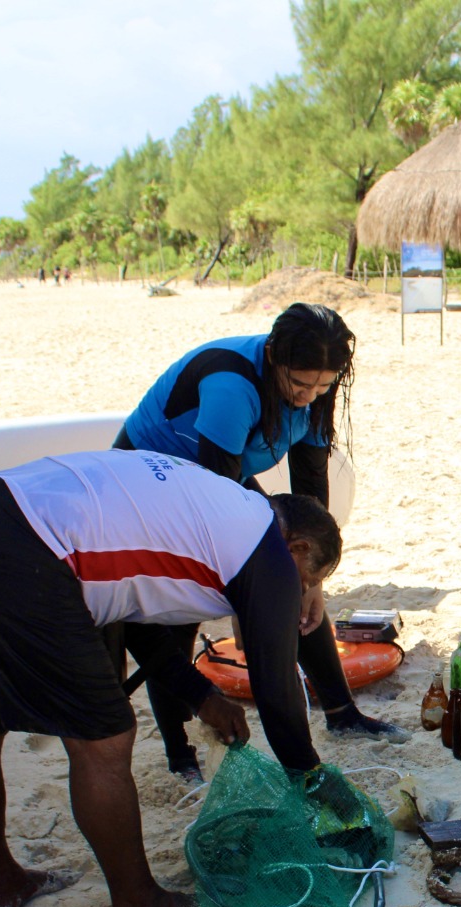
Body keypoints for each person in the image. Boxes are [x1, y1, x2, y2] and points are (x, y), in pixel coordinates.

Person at [0, 449, 343, 907]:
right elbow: (276, 690)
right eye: (308, 580)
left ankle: (2, 881)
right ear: (295, 549)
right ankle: (139, 904)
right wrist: (313, 781)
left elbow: (133, 622)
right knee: (105, 740)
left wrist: (202, 697)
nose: (300, 593)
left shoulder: (219, 508)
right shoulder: (265, 548)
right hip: (28, 547)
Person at [116, 302, 405, 782]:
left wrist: (312, 580)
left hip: (218, 474)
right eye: (298, 384)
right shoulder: (233, 384)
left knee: (293, 571)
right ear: (273, 356)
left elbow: (311, 496)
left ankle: (341, 712)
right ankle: (179, 751)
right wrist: (241, 596)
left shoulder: (314, 394)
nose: (307, 396)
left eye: (322, 386)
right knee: (180, 616)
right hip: (152, 482)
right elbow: (216, 501)